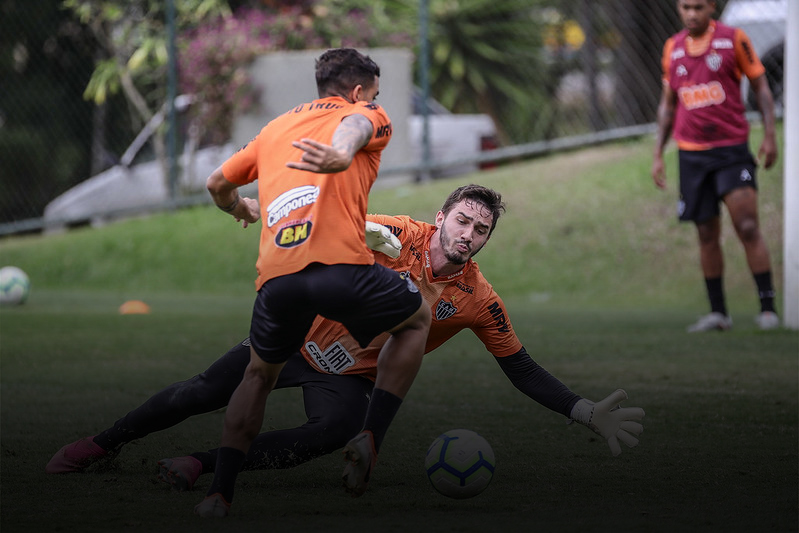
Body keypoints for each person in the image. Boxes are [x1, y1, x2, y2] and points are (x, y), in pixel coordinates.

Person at [46, 185, 645, 501]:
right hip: (297, 338)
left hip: (349, 378)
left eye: (480, 229)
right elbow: (344, 226)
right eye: (461, 220)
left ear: (486, 240)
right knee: (200, 391)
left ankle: (197, 466)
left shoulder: (478, 300)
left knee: (331, 434)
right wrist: (362, 235)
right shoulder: (402, 233)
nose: (468, 234)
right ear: (441, 218)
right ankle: (100, 445)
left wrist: (584, 411)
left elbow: (523, 369)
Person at [196, 47, 432, 517]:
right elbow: (356, 128)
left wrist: (239, 207)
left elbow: (215, 185)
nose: (375, 102)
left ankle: (219, 495)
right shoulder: (366, 111)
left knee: (257, 376)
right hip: (340, 272)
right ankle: (371, 436)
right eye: (374, 94)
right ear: (360, 90)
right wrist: (341, 154)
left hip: (277, 281)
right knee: (418, 318)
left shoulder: (274, 129)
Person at [651, 0, 779, 332]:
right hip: (691, 154)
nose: (691, 13)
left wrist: (769, 135)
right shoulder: (672, 48)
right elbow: (668, 105)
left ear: (712, 9)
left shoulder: (734, 39)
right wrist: (657, 153)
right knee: (706, 233)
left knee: (747, 226)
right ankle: (718, 313)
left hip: (731, 150)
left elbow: (762, 87)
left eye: (698, 7)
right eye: (685, 7)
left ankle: (768, 309)